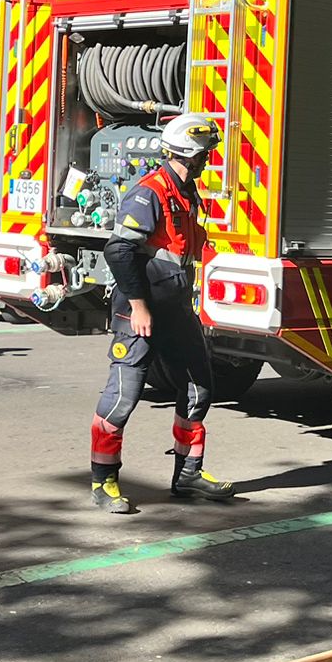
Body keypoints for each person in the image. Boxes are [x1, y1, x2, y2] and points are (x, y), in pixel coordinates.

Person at [89, 111, 236, 513]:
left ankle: (188, 474)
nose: (209, 160)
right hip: (141, 312)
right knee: (123, 398)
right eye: (205, 154)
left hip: (175, 310)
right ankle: (104, 483)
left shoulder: (186, 192)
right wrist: (138, 307)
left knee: (198, 387)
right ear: (189, 155)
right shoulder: (149, 193)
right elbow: (118, 251)